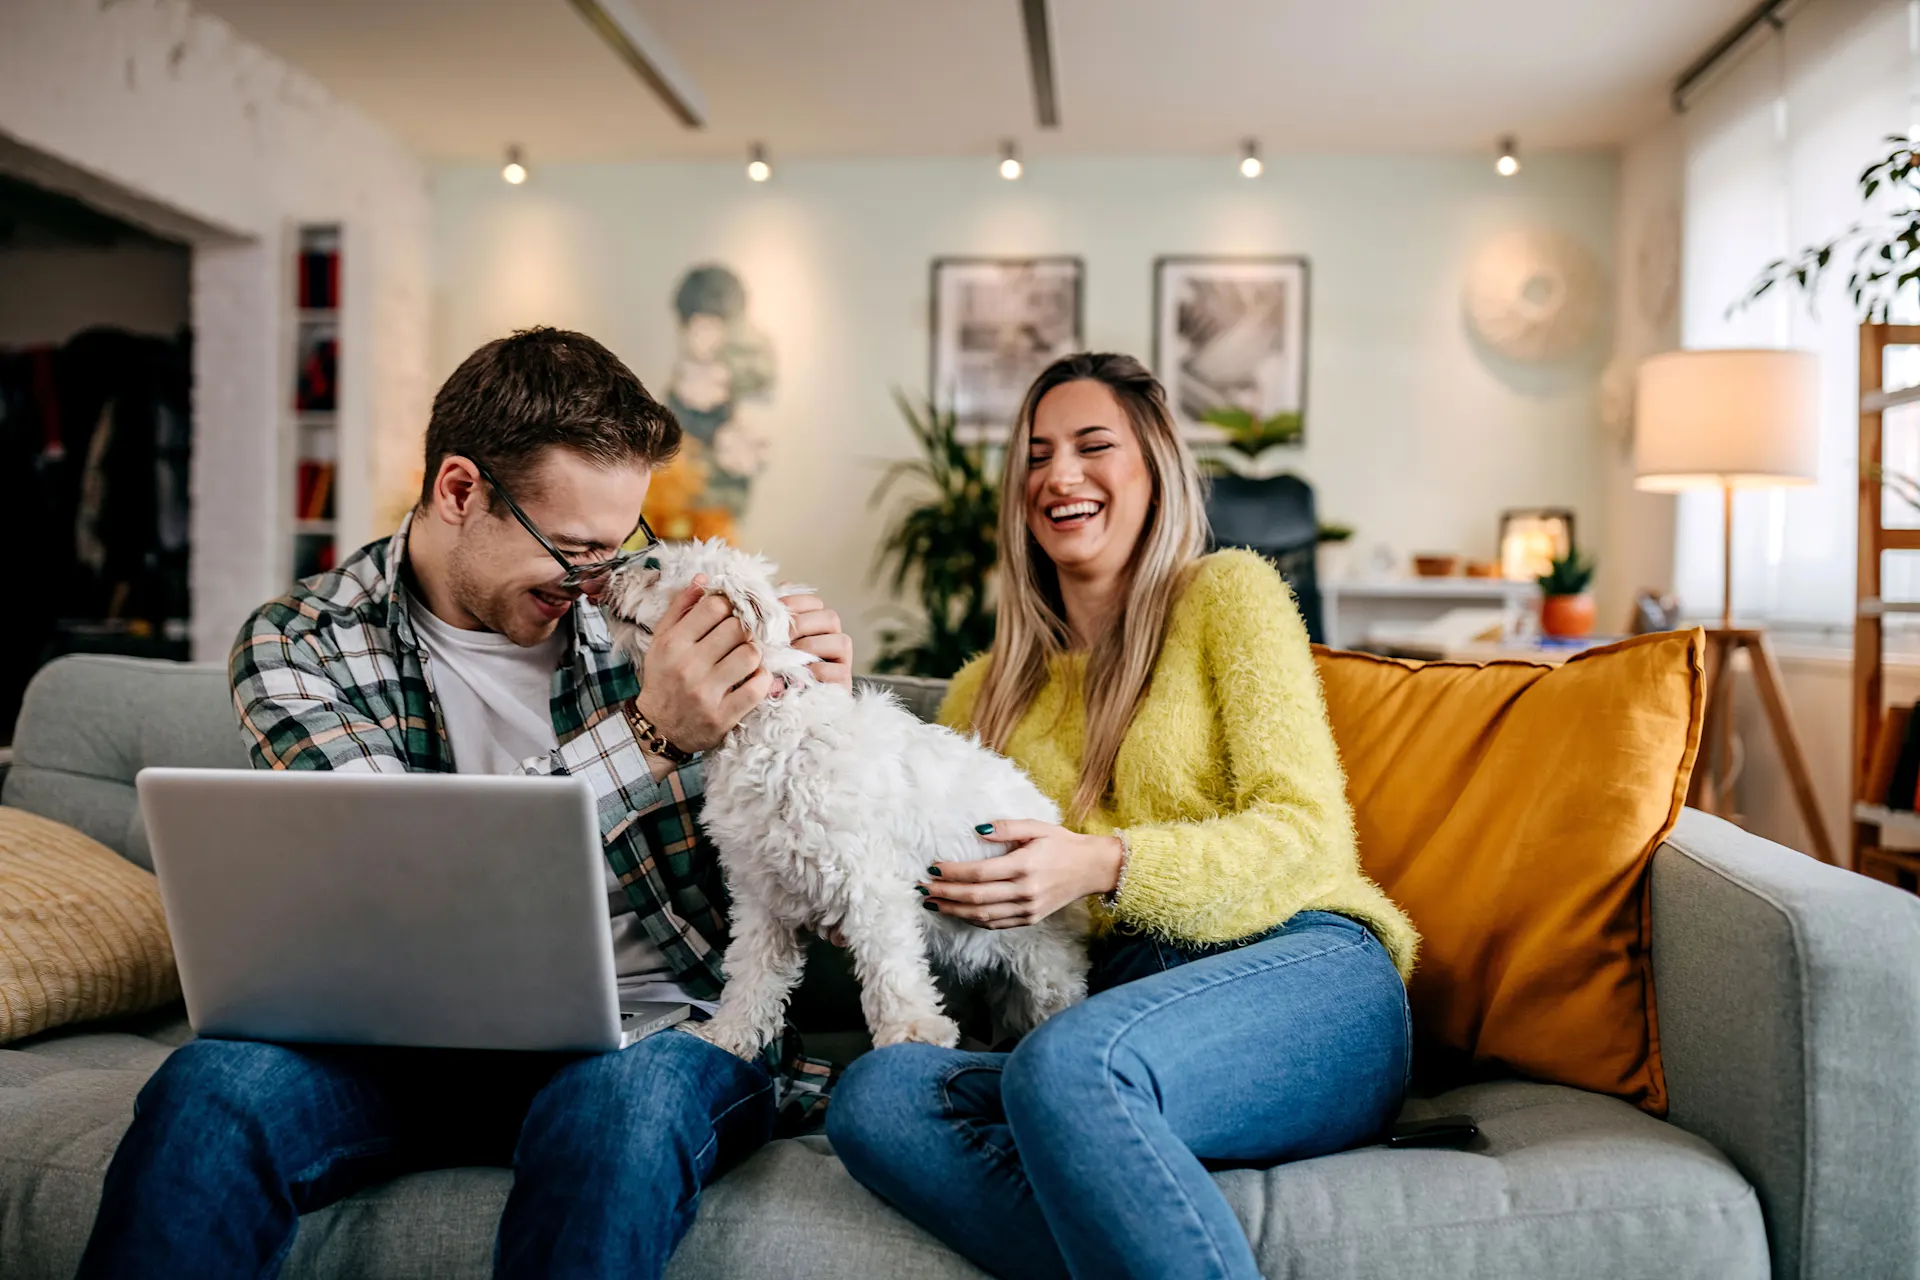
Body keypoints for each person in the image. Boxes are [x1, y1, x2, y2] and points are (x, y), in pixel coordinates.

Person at [77, 327, 855, 1280]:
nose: (602, 586)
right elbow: (403, 879)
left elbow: (818, 869)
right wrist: (648, 738)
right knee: (210, 1089)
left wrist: (823, 728)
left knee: (617, 1112)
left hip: (654, 1031)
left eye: (624, 548)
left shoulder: (653, 622)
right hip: (400, 1042)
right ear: (458, 490)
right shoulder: (302, 645)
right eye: (574, 550)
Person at [826, 352, 1420, 1280]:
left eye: (1092, 446)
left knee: (1068, 1069)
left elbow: (1309, 835)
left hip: (1301, 974)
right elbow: (962, 943)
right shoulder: (983, 695)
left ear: (1153, 468)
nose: (1058, 475)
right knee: (879, 1097)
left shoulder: (1228, 595)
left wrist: (1102, 862)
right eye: (1034, 456)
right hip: (1113, 1021)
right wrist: (866, 883)